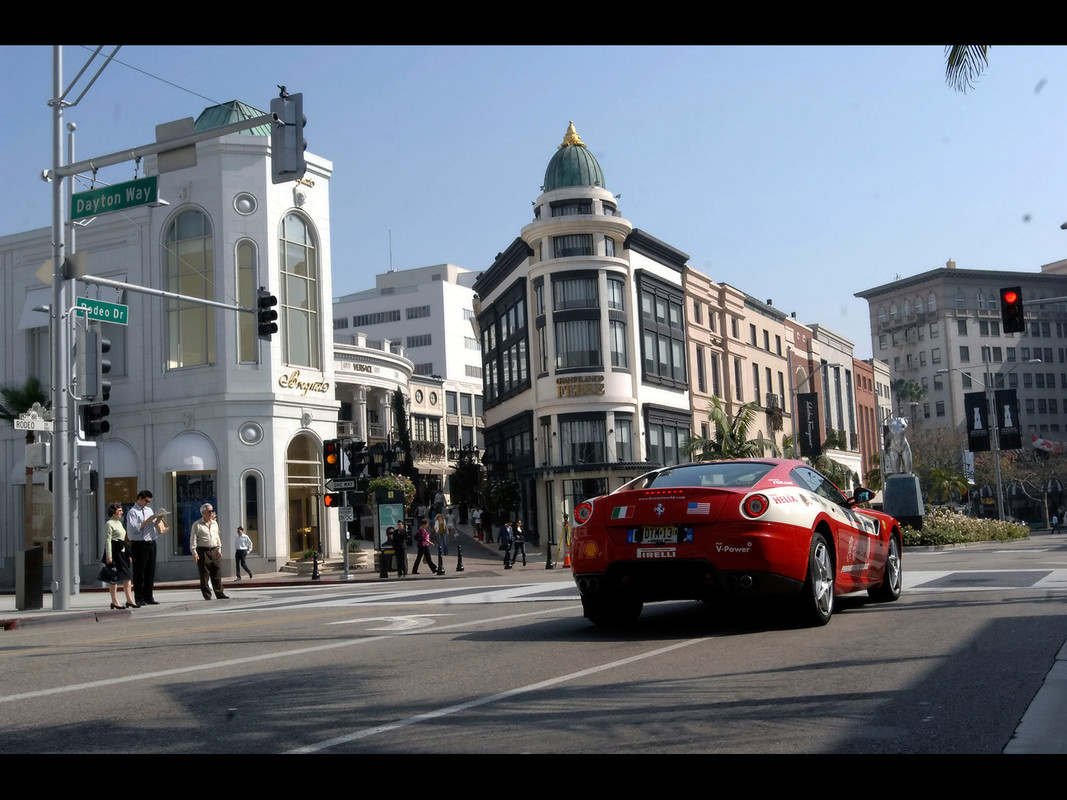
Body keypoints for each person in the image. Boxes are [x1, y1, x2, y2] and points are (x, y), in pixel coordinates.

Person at [126, 489, 167, 606]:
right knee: (139, 572)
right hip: (139, 543)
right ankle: (139, 597)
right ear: (139, 498)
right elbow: (134, 528)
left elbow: (153, 524)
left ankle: (149, 596)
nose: (147, 503)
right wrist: (149, 520)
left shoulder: (149, 510)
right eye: (145, 501)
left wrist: (158, 519)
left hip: (151, 542)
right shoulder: (133, 512)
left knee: (150, 571)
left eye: (149, 501)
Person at [191, 503, 229, 600]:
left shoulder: (214, 523)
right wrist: (194, 552)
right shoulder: (197, 524)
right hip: (203, 551)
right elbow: (193, 539)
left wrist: (219, 549)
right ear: (203, 512)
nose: (211, 513)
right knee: (204, 574)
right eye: (209, 511)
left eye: (212, 511)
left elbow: (217, 537)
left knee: (217, 572)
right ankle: (207, 595)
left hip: (215, 550)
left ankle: (219, 593)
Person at [103, 502, 137, 609]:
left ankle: (130, 600)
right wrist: (109, 556)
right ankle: (114, 601)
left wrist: (128, 554)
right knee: (114, 577)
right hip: (114, 553)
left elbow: (123, 539)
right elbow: (108, 540)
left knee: (127, 576)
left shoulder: (119, 523)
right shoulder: (109, 524)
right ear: (113, 512)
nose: (122, 513)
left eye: (122, 510)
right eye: (119, 511)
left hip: (122, 552)